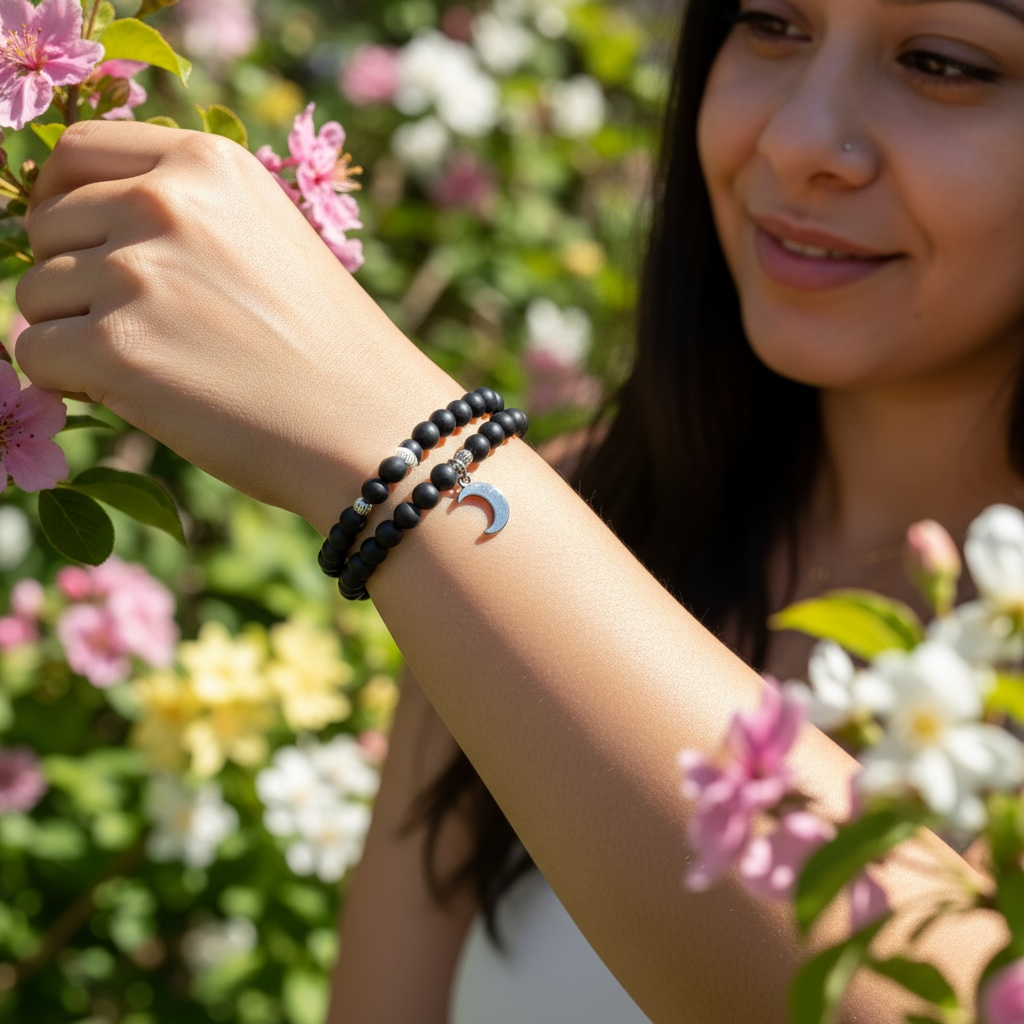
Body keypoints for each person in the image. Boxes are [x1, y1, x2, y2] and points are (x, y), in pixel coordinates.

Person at [12, 0, 1023, 1018]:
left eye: (942, 61)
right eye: (769, 21)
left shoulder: (493, 520)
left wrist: (399, 440)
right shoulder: (580, 511)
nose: (799, 137)